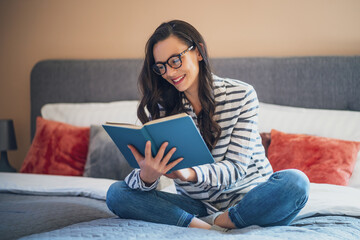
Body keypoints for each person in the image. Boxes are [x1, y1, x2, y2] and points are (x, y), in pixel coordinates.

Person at [106, 19, 310, 231]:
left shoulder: (242, 95)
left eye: (175, 60)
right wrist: (146, 178)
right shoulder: (164, 107)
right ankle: (202, 225)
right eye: (161, 66)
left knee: (296, 183)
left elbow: (235, 169)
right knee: (116, 194)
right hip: (199, 208)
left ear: (199, 52)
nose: (169, 72)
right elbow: (136, 187)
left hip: (252, 199)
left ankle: (222, 222)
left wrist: (188, 174)